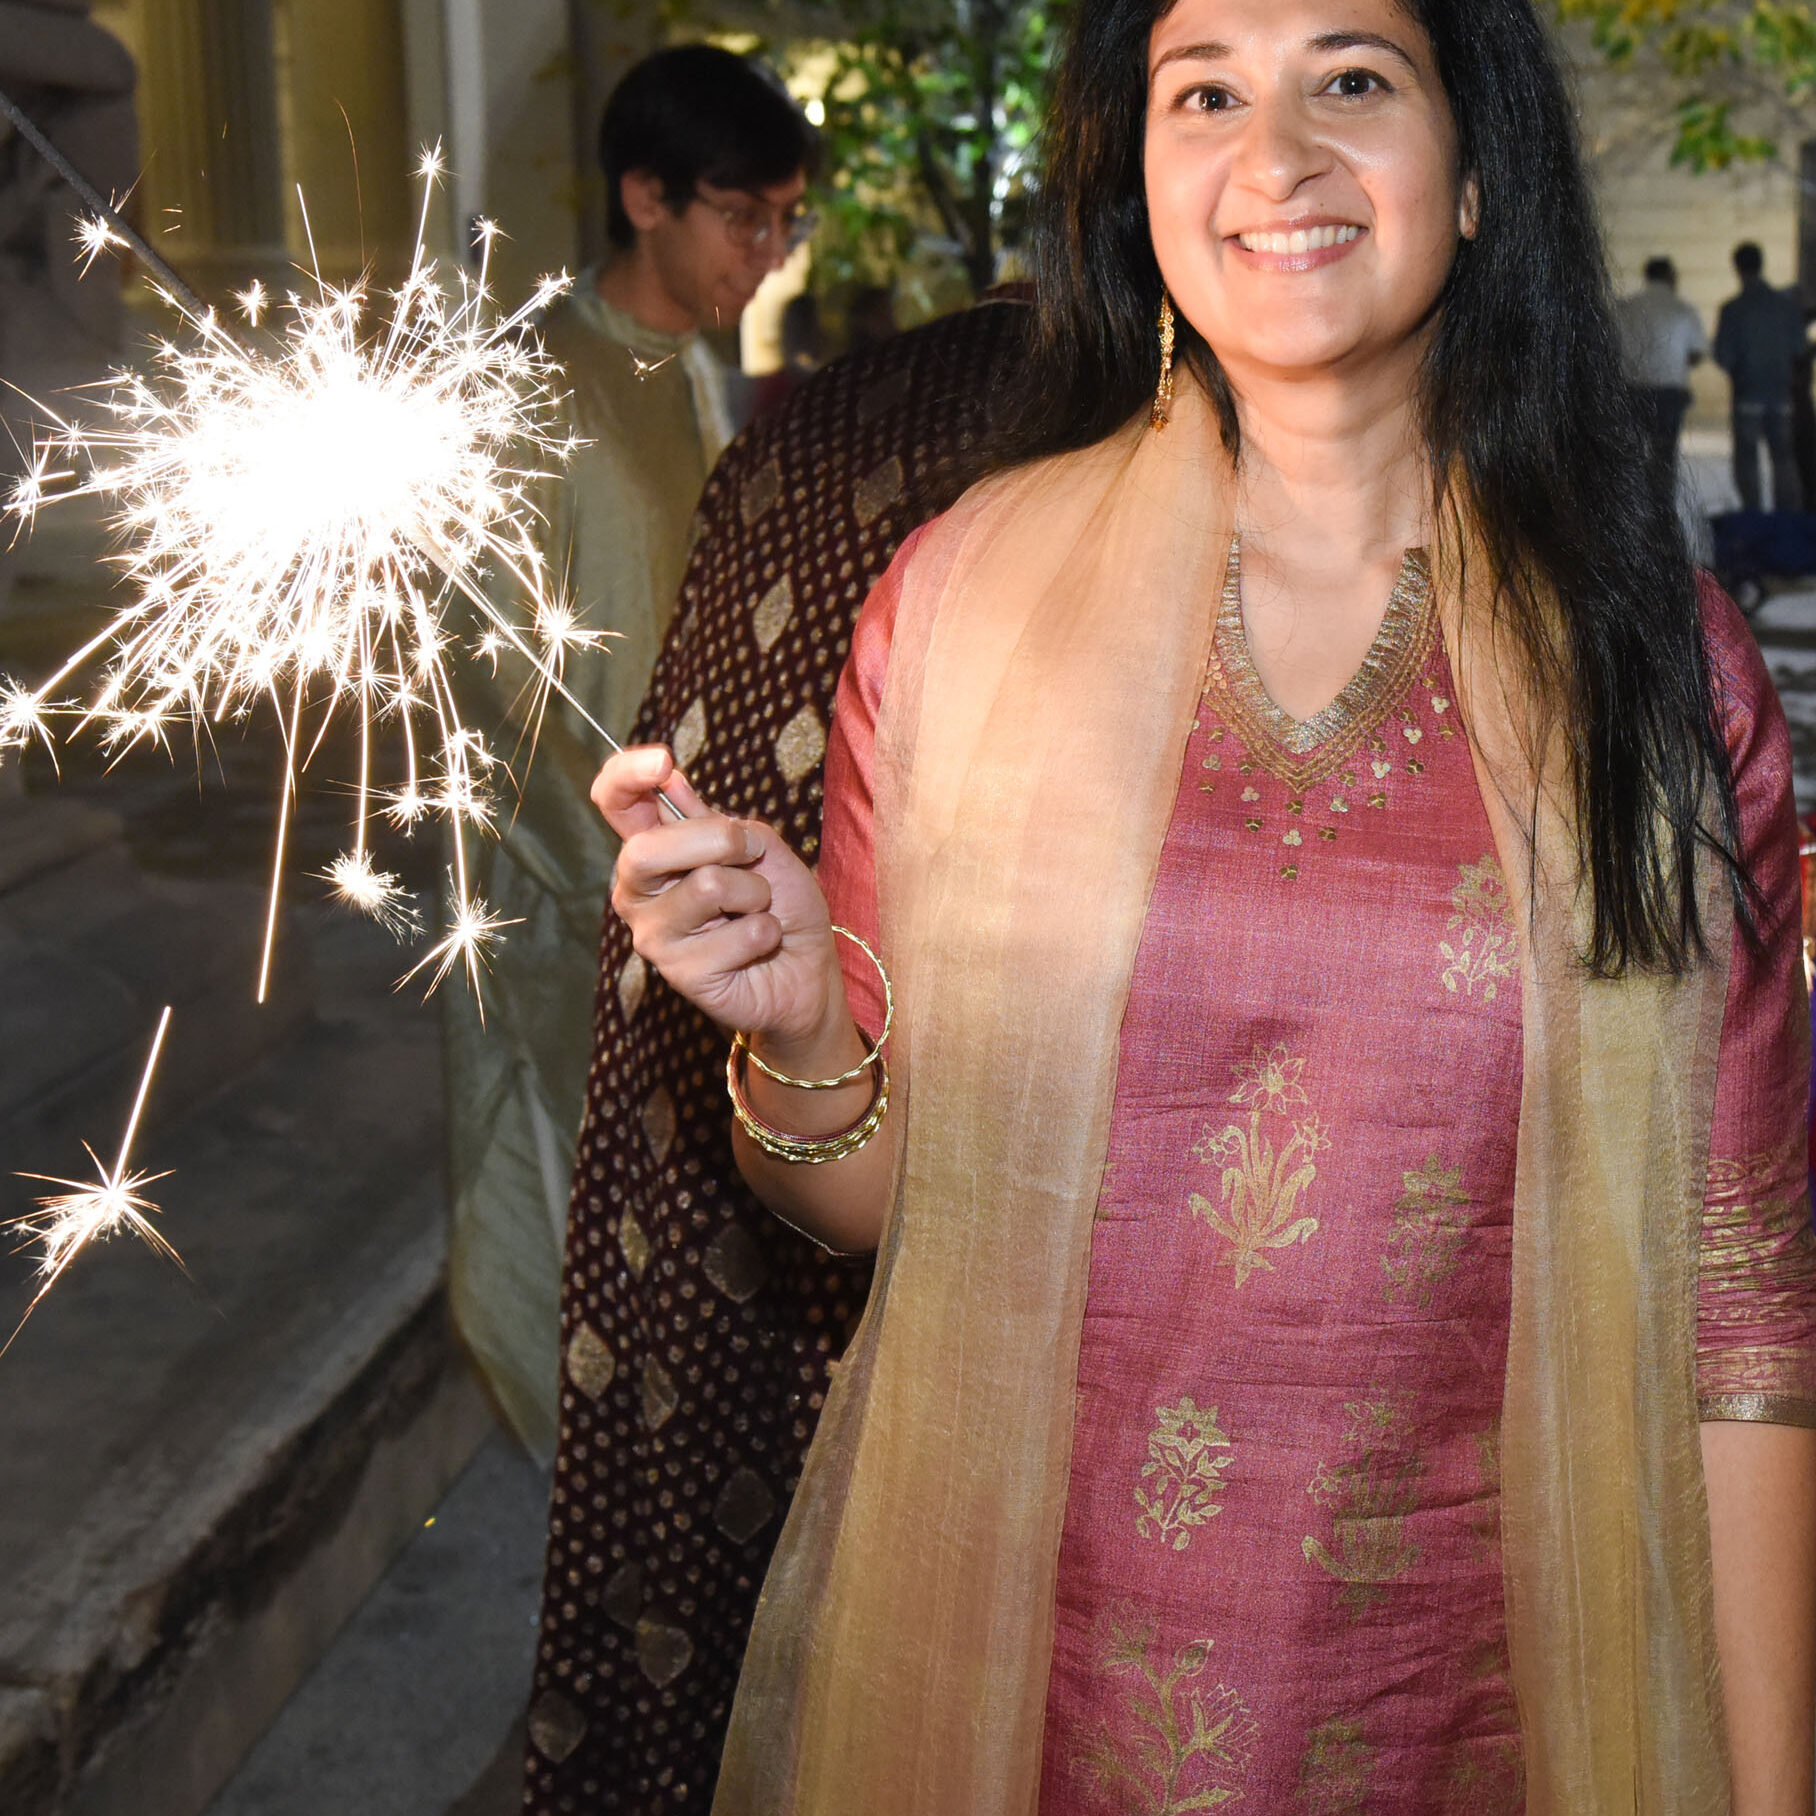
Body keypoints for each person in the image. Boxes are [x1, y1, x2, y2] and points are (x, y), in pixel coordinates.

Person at [599, 0, 1816, 1809]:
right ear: (1136, 178)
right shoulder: (961, 613)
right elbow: (875, 1210)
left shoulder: (1647, 657)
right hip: (1032, 1688)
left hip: (1491, 1707)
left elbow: (1745, 1308)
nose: (1278, 155)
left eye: (1351, 78)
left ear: (1475, 173)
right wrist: (799, 1027)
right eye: (1204, 93)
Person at [521, 294, 1027, 1814]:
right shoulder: (860, 450)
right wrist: (784, 997)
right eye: (1203, 95)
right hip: (672, 931)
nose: (765, 249)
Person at [442, 45, 817, 1458]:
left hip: (685, 866)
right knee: (556, 1204)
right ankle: (588, 1500)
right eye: (743, 215)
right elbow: (493, 683)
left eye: (789, 219)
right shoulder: (534, 387)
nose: (770, 254)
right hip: (565, 884)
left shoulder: (700, 371)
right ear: (645, 195)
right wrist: (604, 856)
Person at [1716, 240, 1808, 513]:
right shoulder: (1786, 307)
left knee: (1747, 459)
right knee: (1783, 457)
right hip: (1781, 394)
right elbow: (1799, 348)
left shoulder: (1732, 310)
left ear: (1737, 269)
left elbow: (1724, 356)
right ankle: (1787, 518)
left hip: (1747, 395)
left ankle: (1753, 515)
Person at [1615, 255, 1707, 506]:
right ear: (1670, 276)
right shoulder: (1684, 310)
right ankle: (1660, 505)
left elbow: (1613, 347)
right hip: (1669, 392)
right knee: (1664, 452)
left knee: (1632, 450)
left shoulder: (1626, 307)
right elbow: (1697, 353)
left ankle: (1630, 502)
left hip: (1633, 390)